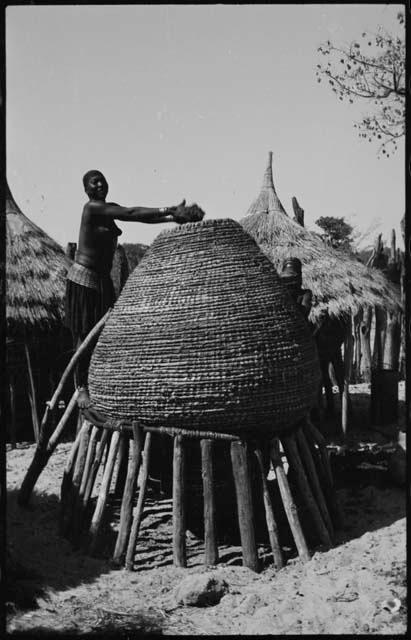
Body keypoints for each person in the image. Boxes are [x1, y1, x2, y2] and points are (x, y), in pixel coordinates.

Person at [65, 169, 203, 406]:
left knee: (104, 335)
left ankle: (101, 382)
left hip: (102, 281)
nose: (99, 185)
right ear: (86, 190)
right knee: (84, 335)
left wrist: (174, 218)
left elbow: (140, 217)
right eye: (93, 182)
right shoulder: (92, 209)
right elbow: (131, 212)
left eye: (102, 180)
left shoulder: (108, 209)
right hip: (84, 280)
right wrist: (169, 209)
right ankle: (81, 389)